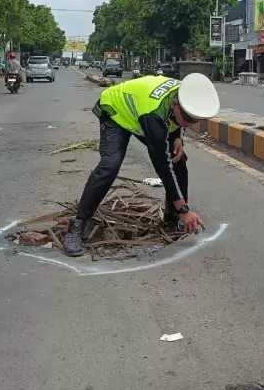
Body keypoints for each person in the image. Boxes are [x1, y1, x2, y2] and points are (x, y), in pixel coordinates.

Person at [63, 73, 221, 257]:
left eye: (193, 121)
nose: (188, 123)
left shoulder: (186, 92)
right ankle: (78, 225)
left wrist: (178, 137)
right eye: (186, 119)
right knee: (110, 165)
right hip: (116, 111)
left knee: (178, 158)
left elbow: (178, 123)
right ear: (175, 104)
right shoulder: (153, 116)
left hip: (142, 113)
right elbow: (162, 166)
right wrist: (185, 209)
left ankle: (172, 217)